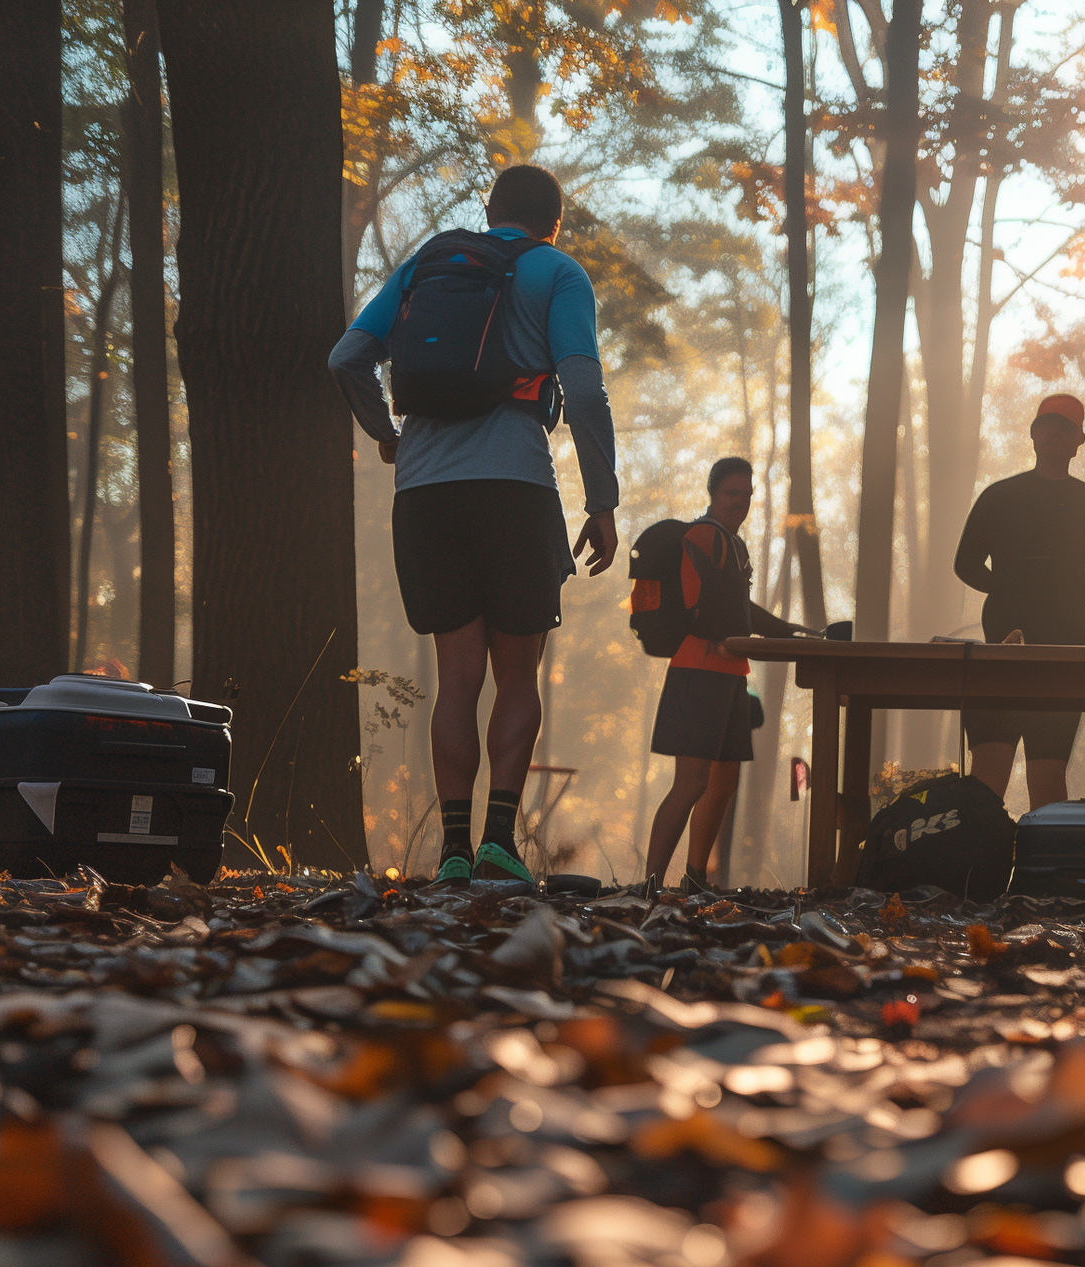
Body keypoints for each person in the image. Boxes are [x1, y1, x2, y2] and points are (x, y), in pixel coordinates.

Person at [330, 163, 620, 885]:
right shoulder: (558, 272)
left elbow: (347, 357)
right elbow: (583, 389)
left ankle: (453, 851)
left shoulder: (427, 266)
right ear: (554, 222)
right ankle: (497, 843)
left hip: (426, 492)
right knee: (517, 676)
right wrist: (602, 501)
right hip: (515, 487)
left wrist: (385, 434)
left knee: (456, 676)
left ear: (490, 212)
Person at [952, 395, 1085, 811]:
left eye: (1065, 427)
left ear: (1080, 440)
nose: (1054, 433)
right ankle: (980, 849)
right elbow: (965, 563)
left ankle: (1042, 852)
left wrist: (1062, 597)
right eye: (1046, 425)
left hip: (1065, 649)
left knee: (1048, 771)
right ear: (1032, 435)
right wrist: (1014, 592)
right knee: (989, 768)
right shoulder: (999, 497)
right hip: (1001, 648)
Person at [643, 458, 805, 891]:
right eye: (732, 493)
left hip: (731, 672)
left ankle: (695, 878)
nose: (740, 502)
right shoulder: (701, 536)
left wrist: (790, 631)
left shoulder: (735, 546)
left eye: (747, 494)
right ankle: (650, 885)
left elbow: (740, 609)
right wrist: (720, 636)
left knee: (723, 782)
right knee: (691, 782)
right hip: (697, 671)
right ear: (713, 493)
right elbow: (698, 602)